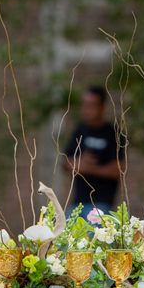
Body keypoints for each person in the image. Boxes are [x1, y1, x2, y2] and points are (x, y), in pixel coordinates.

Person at [63, 86, 125, 216]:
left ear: (102, 107)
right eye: (84, 105)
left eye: (91, 106)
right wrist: (78, 164)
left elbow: (118, 169)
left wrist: (87, 168)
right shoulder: (80, 130)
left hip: (101, 204)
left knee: (98, 236)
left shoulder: (113, 133)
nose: (86, 110)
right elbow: (66, 162)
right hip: (77, 203)